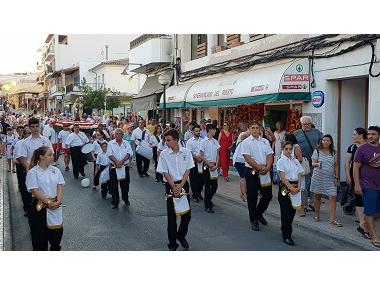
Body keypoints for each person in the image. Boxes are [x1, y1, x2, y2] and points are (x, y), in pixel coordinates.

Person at [156, 129, 194, 251]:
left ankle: (181, 235)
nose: (166, 143)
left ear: (176, 140)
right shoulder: (164, 154)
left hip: (183, 184)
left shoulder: (186, 152)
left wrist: (181, 185)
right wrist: (174, 186)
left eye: (169, 140)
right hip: (170, 185)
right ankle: (172, 243)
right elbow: (165, 171)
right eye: (165, 140)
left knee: (186, 215)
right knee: (172, 217)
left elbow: (188, 169)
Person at [25, 146, 65, 251]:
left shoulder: (56, 170)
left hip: (55, 206)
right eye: (50, 154)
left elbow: (59, 186)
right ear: (41, 157)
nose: (53, 156)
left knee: (56, 238)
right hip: (39, 207)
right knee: (40, 239)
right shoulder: (33, 172)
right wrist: (48, 202)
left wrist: (58, 201)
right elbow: (34, 190)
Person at [15, 117, 52, 216]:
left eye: (37, 126)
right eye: (32, 127)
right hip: (32, 172)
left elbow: (50, 155)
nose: (35, 129)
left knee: (44, 193)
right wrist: (30, 170)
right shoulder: (25, 142)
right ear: (29, 128)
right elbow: (23, 159)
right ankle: (31, 213)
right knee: (32, 195)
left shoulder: (45, 140)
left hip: (44, 171)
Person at [241, 121, 274, 231]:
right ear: (249, 129)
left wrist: (268, 167)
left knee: (268, 195)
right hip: (252, 172)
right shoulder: (246, 142)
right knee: (252, 197)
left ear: (260, 129)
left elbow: (270, 154)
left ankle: (258, 213)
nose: (255, 130)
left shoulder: (265, 141)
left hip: (265, 171)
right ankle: (254, 220)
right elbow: (247, 157)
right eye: (253, 128)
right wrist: (259, 168)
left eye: (257, 128)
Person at [353, 125, 380, 248]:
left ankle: (363, 224)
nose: (370, 136)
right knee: (369, 211)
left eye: (373, 134)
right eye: (368, 134)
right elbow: (356, 167)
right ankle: (374, 236)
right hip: (368, 185)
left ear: (379, 136)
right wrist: (357, 184)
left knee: (376, 212)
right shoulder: (362, 149)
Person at [310, 134, 341, 226]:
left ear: (331, 142)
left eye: (327, 140)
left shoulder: (334, 152)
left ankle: (332, 219)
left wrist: (337, 177)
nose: (325, 142)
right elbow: (313, 163)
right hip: (318, 177)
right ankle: (316, 214)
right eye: (323, 140)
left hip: (330, 178)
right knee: (317, 196)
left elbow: (336, 165)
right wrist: (317, 164)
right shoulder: (317, 151)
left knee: (333, 197)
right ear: (321, 141)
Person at [277, 141, 303, 246]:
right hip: (286, 188)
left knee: (292, 211)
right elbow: (283, 178)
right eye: (286, 149)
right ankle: (287, 235)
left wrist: (299, 187)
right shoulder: (281, 161)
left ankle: (285, 227)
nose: (288, 151)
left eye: (290, 149)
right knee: (285, 212)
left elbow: (300, 175)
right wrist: (291, 188)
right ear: (283, 149)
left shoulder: (295, 161)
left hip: (296, 188)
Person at [345, 128, 370, 239]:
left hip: (368, 177)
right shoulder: (352, 147)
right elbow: (347, 162)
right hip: (355, 177)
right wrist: (348, 175)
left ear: (361, 135)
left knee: (368, 198)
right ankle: (362, 222)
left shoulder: (369, 146)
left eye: (354, 134)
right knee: (358, 198)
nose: (352, 136)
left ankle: (366, 220)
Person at [294, 116, 322, 213]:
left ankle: (313, 203)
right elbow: (292, 146)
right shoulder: (296, 133)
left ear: (311, 123)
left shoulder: (317, 132)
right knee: (304, 184)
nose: (306, 126)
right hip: (302, 162)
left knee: (314, 183)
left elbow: (323, 143)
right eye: (304, 124)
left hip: (315, 161)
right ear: (301, 124)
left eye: (308, 124)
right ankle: (304, 204)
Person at [107, 128, 133, 209]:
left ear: (122, 135)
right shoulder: (111, 143)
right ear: (114, 135)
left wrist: (121, 162)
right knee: (114, 185)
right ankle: (115, 202)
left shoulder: (126, 143)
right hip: (114, 167)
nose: (118, 135)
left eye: (119, 133)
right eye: (116, 134)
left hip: (124, 167)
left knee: (125, 185)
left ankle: (125, 199)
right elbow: (109, 154)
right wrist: (116, 162)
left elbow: (129, 153)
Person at [200, 123, 220, 213]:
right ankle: (207, 205)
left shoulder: (215, 141)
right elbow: (201, 156)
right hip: (206, 166)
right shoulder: (203, 142)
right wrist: (209, 164)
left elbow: (218, 153)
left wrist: (216, 165)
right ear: (210, 130)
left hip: (214, 166)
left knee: (215, 186)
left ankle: (209, 199)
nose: (215, 131)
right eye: (214, 129)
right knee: (207, 187)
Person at [232, 123, 250, 202]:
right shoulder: (243, 134)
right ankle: (243, 195)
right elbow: (244, 136)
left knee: (245, 177)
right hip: (239, 160)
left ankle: (243, 192)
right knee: (243, 177)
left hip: (245, 160)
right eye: (253, 128)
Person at [186, 124, 204, 203]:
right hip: (193, 163)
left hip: (201, 162)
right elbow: (189, 152)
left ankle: (199, 193)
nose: (198, 132)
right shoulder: (189, 141)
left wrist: (201, 158)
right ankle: (195, 195)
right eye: (196, 131)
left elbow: (203, 151)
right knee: (193, 179)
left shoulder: (202, 141)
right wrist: (196, 158)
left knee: (201, 180)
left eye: (199, 131)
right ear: (193, 132)